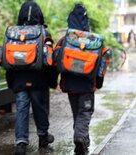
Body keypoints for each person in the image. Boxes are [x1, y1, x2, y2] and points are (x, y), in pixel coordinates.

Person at [54, 4, 110, 155]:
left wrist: (55, 80)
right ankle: (80, 138)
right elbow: (103, 61)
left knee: (77, 114)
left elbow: (55, 59)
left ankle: (82, 141)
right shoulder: (95, 41)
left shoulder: (64, 39)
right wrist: (99, 82)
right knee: (84, 113)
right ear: (86, 21)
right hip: (87, 85)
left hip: (70, 84)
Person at [5, 1, 58, 154]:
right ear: (39, 15)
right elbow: (50, 61)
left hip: (19, 80)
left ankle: (21, 143)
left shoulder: (13, 33)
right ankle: (43, 136)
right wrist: (51, 81)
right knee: (40, 107)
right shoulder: (43, 33)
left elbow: (7, 59)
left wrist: (11, 81)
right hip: (38, 79)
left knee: (21, 109)